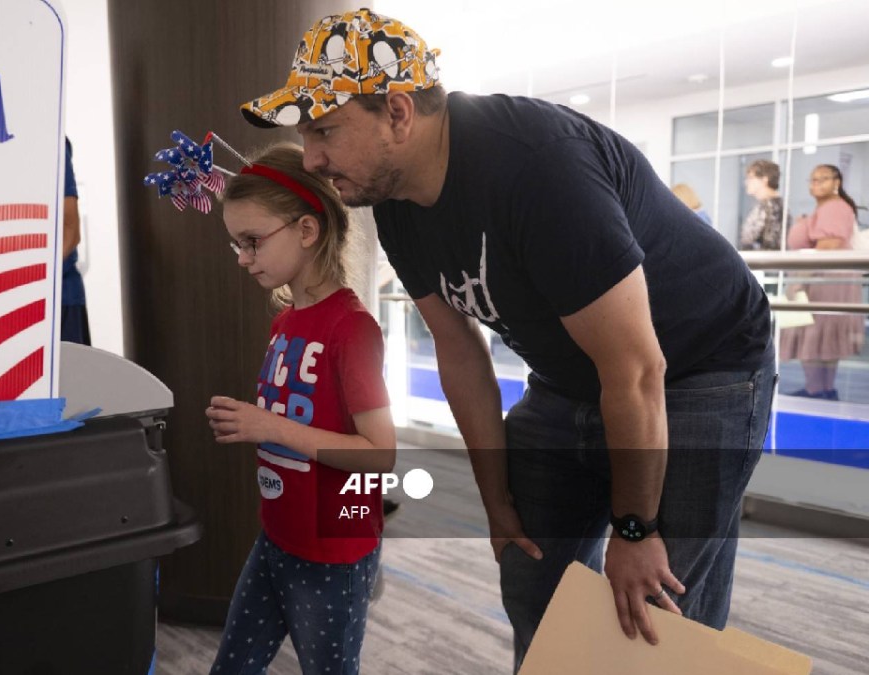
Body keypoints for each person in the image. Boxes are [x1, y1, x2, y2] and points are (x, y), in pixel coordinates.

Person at [240, 9, 774, 673]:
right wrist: (496, 498)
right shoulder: (395, 201)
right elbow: (458, 351)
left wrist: (636, 527)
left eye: (324, 130)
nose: (313, 157)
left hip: (700, 368)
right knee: (531, 574)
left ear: (398, 113)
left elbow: (636, 370)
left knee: (656, 612)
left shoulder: (533, 167)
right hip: (569, 376)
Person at [205, 143, 395, 675]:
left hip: (333, 554)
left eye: (252, 241)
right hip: (276, 539)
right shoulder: (284, 323)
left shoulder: (351, 329)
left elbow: (381, 455)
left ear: (307, 231)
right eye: (235, 244)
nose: (243, 257)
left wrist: (270, 426)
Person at [779, 164, 863, 399]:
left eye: (823, 179)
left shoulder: (835, 207)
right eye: (812, 179)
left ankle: (816, 390)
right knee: (820, 338)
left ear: (837, 182)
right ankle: (823, 389)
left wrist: (799, 280)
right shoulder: (829, 208)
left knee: (814, 335)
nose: (816, 184)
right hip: (826, 280)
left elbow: (829, 246)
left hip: (824, 281)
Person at [61, 138, 91, 345]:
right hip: (5, 305)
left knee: (70, 377)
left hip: (60, 300)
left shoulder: (49, 139)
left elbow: (70, 230)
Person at [739, 159, 786, 251]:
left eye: (750, 178)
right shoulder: (778, 205)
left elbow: (748, 240)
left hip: (762, 262)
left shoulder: (768, 207)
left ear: (765, 179)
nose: (746, 182)